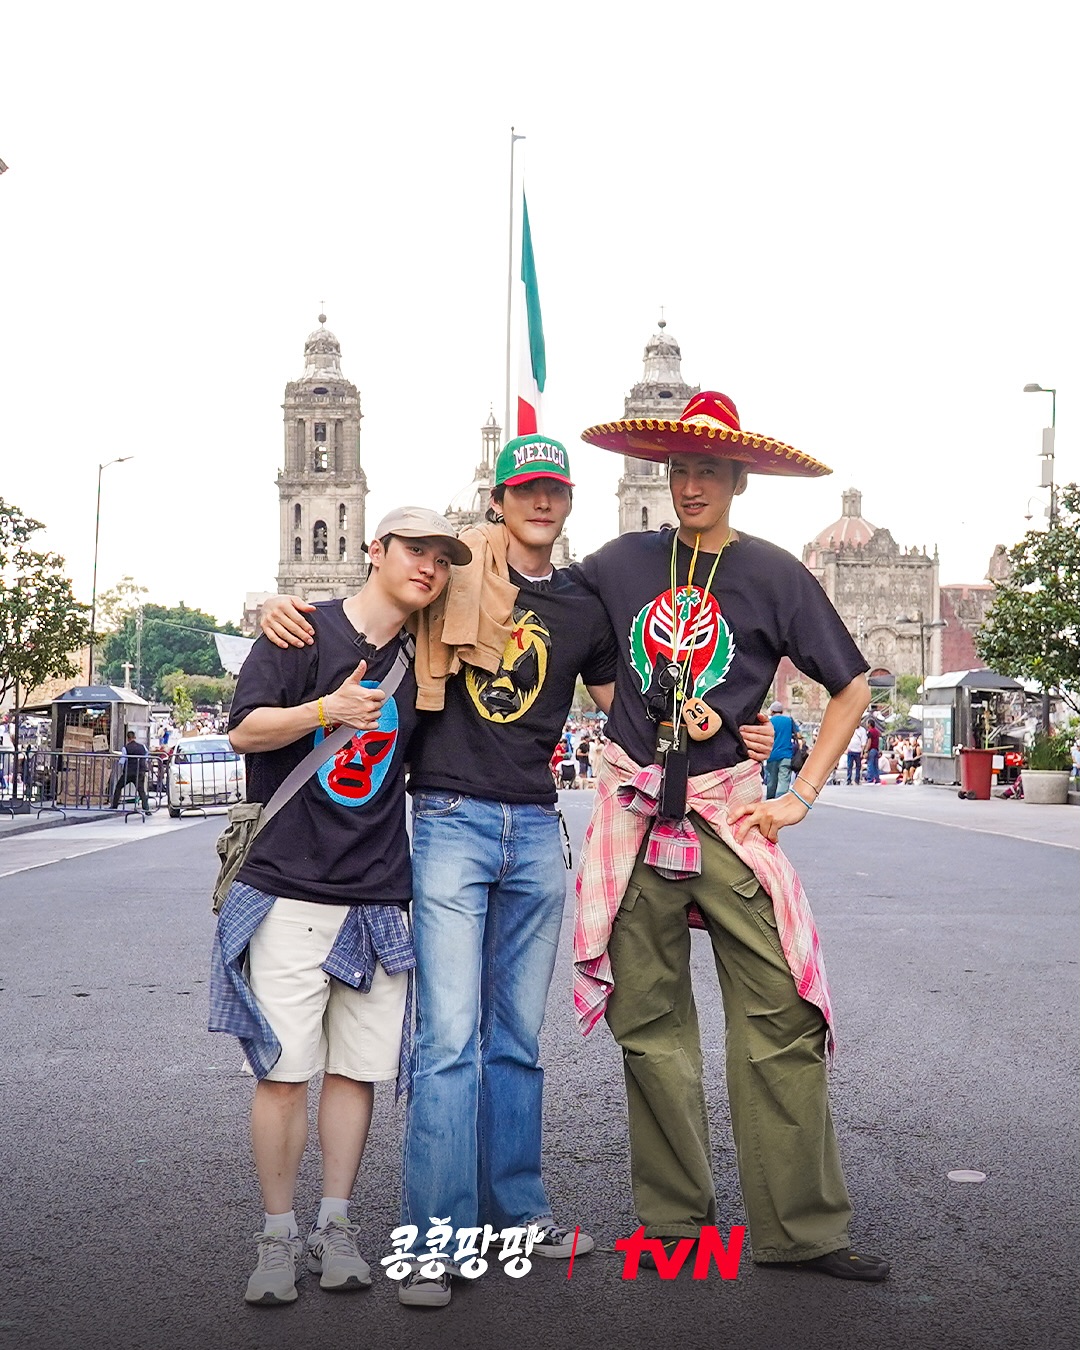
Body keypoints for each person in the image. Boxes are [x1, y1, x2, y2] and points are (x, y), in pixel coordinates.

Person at [259, 434, 776, 1310]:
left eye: (554, 490)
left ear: (568, 501)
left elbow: (637, 712)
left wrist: (737, 728)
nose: (541, 502)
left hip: (536, 830)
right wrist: (286, 607)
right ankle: (435, 1242)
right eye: (524, 489)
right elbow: (373, 605)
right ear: (497, 500)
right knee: (448, 1040)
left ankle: (516, 1215)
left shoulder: (581, 602)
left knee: (516, 1042)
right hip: (450, 823)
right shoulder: (451, 583)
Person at [572, 389, 889, 1282]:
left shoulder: (774, 574)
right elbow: (548, 616)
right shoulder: (622, 561)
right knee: (649, 1022)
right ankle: (676, 1226)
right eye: (680, 469)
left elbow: (852, 687)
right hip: (637, 815)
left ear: (739, 479)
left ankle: (802, 1230)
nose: (691, 485)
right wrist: (622, 712)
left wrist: (800, 796)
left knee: (781, 1011)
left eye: (709, 470)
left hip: (726, 811)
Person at [209, 508, 470, 1307]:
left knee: (358, 1073)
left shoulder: (425, 660)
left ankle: (335, 1225)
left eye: (441, 559)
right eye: (414, 551)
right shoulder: (299, 631)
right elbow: (245, 731)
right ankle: (276, 1236)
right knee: (285, 1074)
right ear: (376, 551)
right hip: (289, 888)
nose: (428, 567)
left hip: (379, 894)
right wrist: (327, 711)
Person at [110, 730, 150, 811]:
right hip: (139, 772)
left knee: (119, 787)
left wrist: (117, 761)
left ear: (127, 738)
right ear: (135, 737)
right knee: (141, 790)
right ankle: (146, 808)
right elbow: (146, 757)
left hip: (129, 772)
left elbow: (122, 761)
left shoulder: (125, 748)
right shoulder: (143, 747)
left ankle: (114, 805)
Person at [764, 700, 796, 798]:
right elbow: (798, 735)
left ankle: (770, 801)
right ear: (782, 711)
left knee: (771, 781)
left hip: (772, 755)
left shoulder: (769, 722)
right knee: (784, 780)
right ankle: (780, 799)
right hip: (786, 755)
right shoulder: (789, 720)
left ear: (772, 711)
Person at [864, 718, 882, 783]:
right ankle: (877, 779)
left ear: (869, 724)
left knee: (870, 765)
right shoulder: (877, 732)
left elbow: (869, 742)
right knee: (875, 766)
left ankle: (870, 779)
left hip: (871, 750)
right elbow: (878, 741)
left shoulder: (870, 732)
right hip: (876, 750)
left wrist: (866, 750)